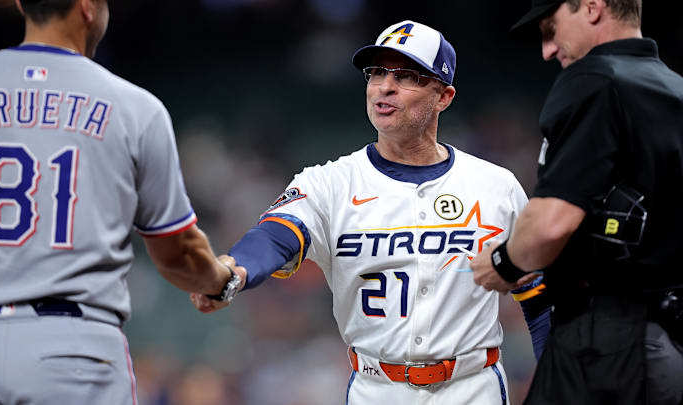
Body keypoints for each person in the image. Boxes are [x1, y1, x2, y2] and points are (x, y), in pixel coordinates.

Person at [191, 20, 543, 404]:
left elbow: (538, 295)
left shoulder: (496, 186)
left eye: (406, 75)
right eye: (376, 72)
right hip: (376, 388)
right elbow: (276, 234)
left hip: (473, 387)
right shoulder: (329, 183)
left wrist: (556, 380)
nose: (384, 86)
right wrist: (234, 271)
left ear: (443, 96)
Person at [0, 0, 244, 403]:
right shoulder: (134, 107)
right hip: (74, 348)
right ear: (87, 8)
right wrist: (219, 281)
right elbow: (177, 253)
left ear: (24, 5)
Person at [470, 0, 683, 404]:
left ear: (591, 7)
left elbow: (552, 222)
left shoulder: (595, 78)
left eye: (552, 27)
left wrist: (504, 262)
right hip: (669, 339)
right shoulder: (673, 86)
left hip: (606, 343)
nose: (548, 49)